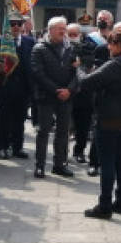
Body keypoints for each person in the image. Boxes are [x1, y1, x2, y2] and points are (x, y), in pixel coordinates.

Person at [80, 33, 121, 220]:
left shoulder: (114, 64)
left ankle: (105, 205)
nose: (108, 48)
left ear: (117, 45)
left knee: (107, 163)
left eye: (110, 44)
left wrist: (80, 69)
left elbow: (87, 82)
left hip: (109, 119)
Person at [30, 16, 78, 178]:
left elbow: (77, 73)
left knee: (63, 132)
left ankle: (59, 164)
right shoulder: (39, 48)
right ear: (50, 30)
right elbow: (38, 73)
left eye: (64, 29)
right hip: (46, 96)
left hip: (66, 97)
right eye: (60, 29)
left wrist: (69, 90)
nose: (63, 32)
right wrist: (56, 90)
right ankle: (40, 165)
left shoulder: (71, 48)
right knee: (43, 131)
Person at [0, 13, 35, 160]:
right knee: (4, 118)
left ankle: (17, 147)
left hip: (23, 87)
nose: (16, 27)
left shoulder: (30, 41)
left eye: (19, 24)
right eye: (12, 24)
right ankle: (3, 147)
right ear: (7, 26)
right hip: (5, 86)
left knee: (20, 119)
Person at [68, 23, 95, 168]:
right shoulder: (61, 47)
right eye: (69, 34)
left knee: (83, 126)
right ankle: (60, 155)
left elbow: (89, 65)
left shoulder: (87, 47)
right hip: (65, 91)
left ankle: (79, 151)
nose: (72, 37)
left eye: (74, 34)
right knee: (64, 125)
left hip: (83, 94)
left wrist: (79, 64)